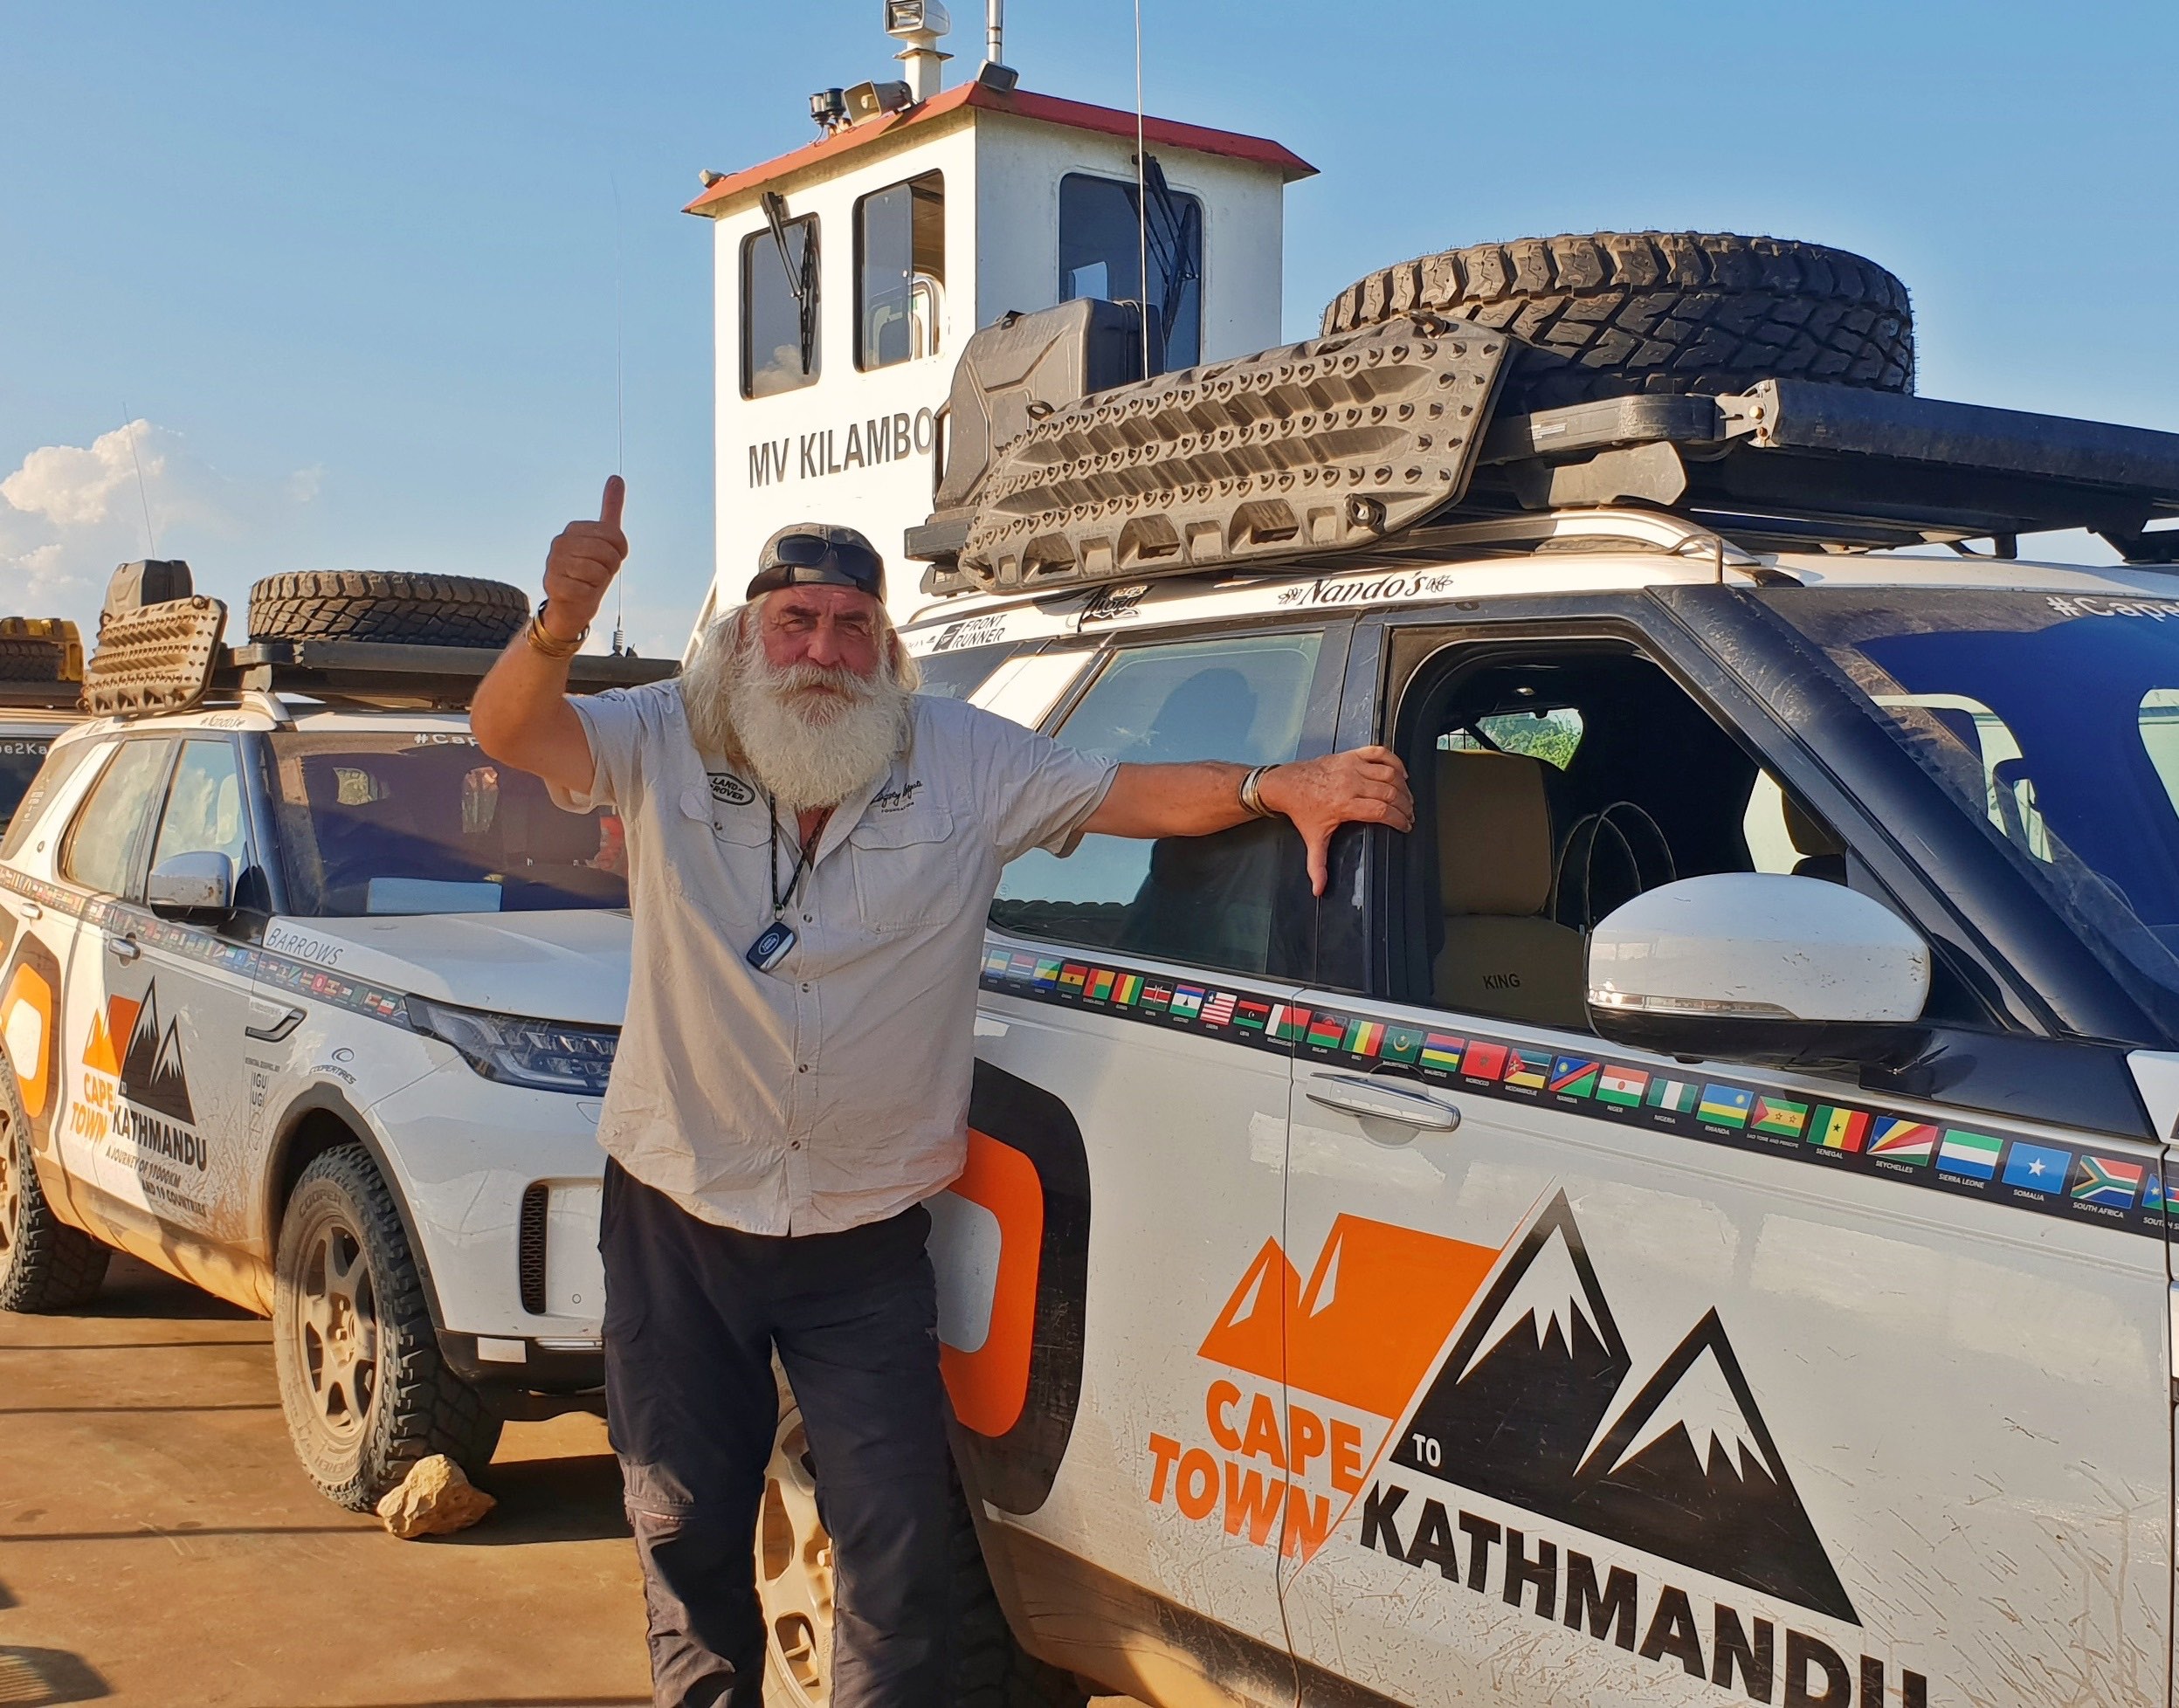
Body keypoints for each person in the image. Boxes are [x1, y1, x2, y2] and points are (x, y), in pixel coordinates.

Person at [470, 477, 1414, 1708]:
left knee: (899, 1551)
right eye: (796, 620)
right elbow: (509, 734)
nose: (823, 649)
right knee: (686, 1531)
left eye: (851, 625)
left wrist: (1268, 789)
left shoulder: (959, 756)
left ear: (886, 648)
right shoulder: (665, 732)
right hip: (681, 1214)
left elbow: (1123, 795)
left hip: (864, 1239)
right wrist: (558, 622)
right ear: (749, 635)